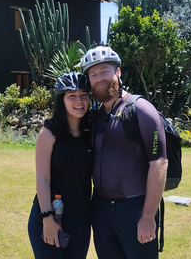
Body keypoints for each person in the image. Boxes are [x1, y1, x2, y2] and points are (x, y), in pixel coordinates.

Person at [80, 45, 168, 259]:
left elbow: (159, 163)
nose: (99, 78)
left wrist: (148, 217)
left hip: (135, 207)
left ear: (117, 72)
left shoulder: (141, 110)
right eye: (93, 74)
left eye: (104, 71)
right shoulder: (95, 115)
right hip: (100, 209)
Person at [27, 72, 94, 259]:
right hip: (50, 216)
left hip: (81, 219)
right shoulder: (48, 134)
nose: (79, 101)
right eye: (71, 96)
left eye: (83, 95)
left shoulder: (92, 132)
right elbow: (42, 179)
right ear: (61, 100)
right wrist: (47, 219)